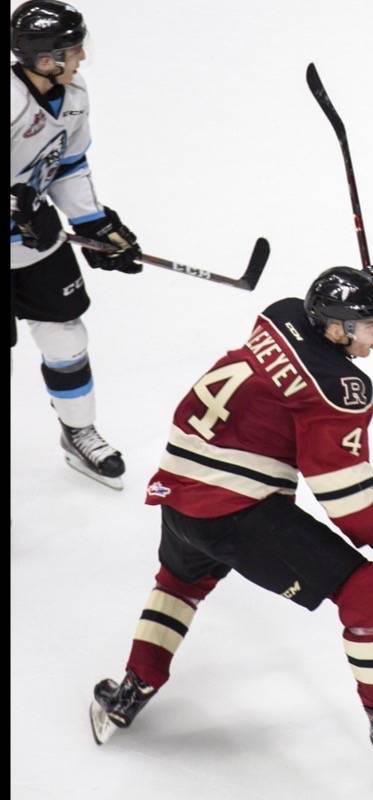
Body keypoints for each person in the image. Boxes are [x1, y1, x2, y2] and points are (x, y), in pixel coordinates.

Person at [88, 267, 373, 778]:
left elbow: (307, 335)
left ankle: (133, 687)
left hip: (181, 486)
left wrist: (361, 289)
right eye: (367, 323)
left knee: (181, 581)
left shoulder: (281, 315)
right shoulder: (337, 389)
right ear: (336, 329)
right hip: (235, 508)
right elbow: (342, 495)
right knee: (371, 589)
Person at [10, 1, 144, 489]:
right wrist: (18, 211)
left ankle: (77, 433)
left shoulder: (74, 94)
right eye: (72, 48)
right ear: (46, 58)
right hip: (24, 234)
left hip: (36, 248)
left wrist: (94, 224)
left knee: (66, 339)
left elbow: (65, 165)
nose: (81, 56)